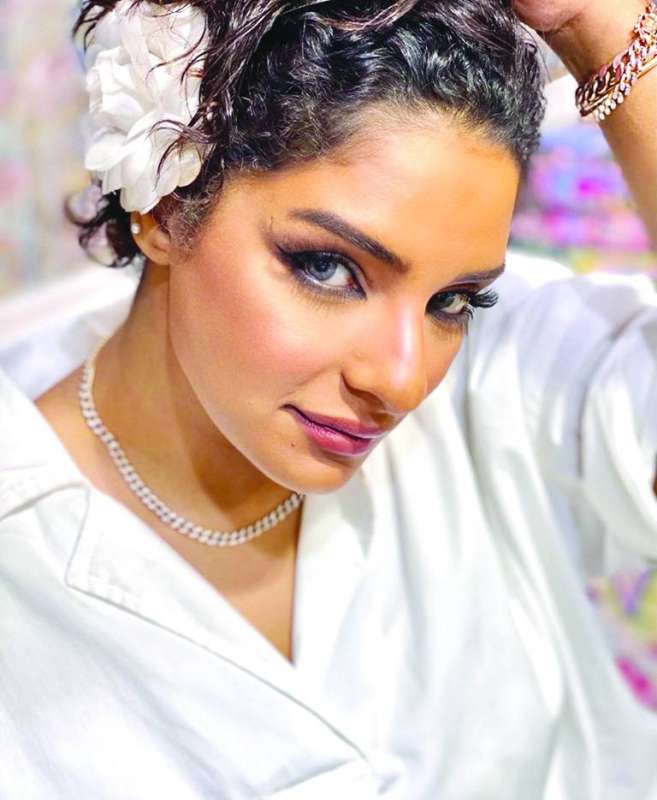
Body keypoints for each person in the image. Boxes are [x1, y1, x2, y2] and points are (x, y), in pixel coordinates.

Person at [1, 0, 656, 796]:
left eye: (453, 301)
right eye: (327, 267)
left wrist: (605, 34)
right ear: (164, 205)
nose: (402, 380)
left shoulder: (504, 372)